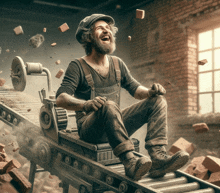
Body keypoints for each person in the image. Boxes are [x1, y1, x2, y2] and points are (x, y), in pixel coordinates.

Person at [56, 14, 189, 181]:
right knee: (109, 105)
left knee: (158, 101)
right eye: (99, 28)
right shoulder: (77, 66)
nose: (107, 31)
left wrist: (150, 92)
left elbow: (135, 89)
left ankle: (158, 158)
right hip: (90, 129)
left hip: (115, 126)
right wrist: (86, 104)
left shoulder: (117, 63)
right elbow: (60, 99)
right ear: (88, 37)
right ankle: (130, 163)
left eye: (108, 28)